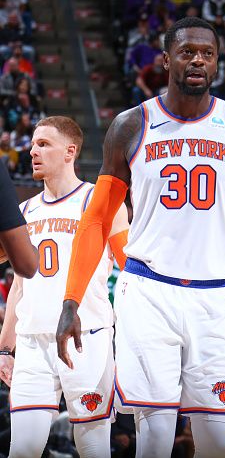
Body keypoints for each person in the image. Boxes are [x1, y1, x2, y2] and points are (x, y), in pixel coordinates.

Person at [55, 17, 225, 458]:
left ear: (216, 63)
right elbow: (97, 220)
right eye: (187, 51)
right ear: (166, 59)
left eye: (207, 53)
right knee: (153, 437)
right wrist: (71, 301)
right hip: (148, 293)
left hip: (217, 298)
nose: (197, 59)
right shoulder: (131, 125)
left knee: (219, 440)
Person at [0, 116, 129, 457]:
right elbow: (19, 286)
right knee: (23, 448)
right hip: (32, 344)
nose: (33, 152)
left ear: (70, 151)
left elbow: (131, 271)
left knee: (92, 445)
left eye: (43, 144)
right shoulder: (23, 211)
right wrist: (4, 347)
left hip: (86, 338)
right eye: (32, 145)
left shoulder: (98, 203)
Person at [0, 161, 38, 278]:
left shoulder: (88, 197)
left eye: (43, 144)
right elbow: (26, 266)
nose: (33, 152)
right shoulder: (24, 207)